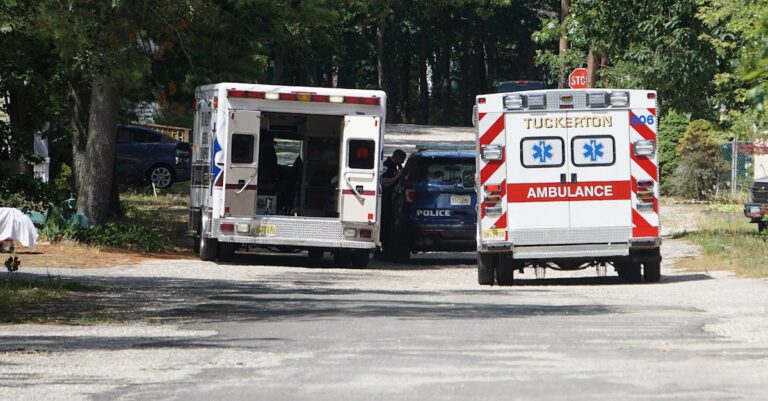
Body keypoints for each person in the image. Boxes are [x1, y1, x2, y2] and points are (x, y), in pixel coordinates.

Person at [379, 149, 406, 258]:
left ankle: (388, 249)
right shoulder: (387, 166)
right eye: (402, 160)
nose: (402, 162)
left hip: (393, 202)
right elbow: (384, 183)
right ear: (397, 157)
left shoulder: (396, 166)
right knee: (385, 225)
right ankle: (382, 249)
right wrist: (398, 176)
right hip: (385, 201)